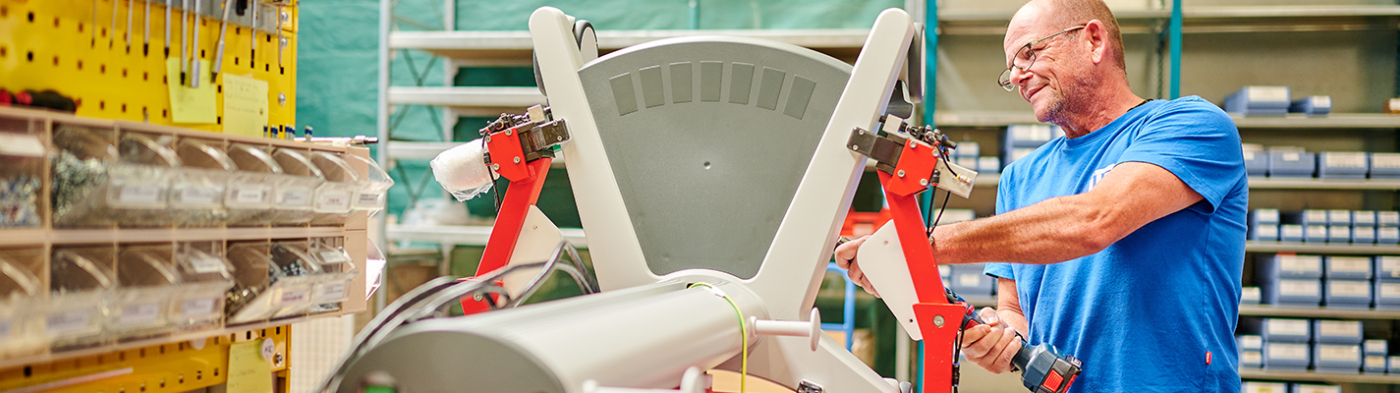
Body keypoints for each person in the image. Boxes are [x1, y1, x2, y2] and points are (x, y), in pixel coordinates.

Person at [834, 0, 1247, 391]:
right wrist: (1001, 338)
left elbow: (1095, 220)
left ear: (1093, 40)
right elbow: (1016, 313)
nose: (1016, 76)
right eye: (1010, 68)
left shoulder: (1192, 125)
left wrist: (917, 247)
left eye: (1029, 54)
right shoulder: (1020, 178)